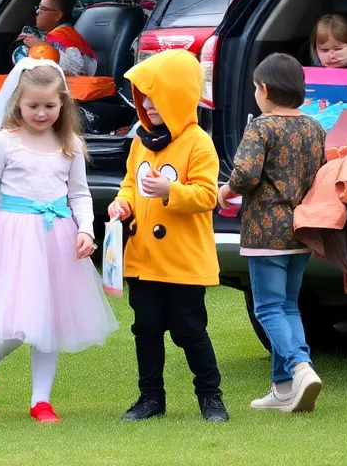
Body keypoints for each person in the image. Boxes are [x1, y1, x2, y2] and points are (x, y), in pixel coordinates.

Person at [0, 59, 116, 423]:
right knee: (18, 320)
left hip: (56, 239)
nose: (41, 113)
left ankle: (41, 400)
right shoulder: (4, 142)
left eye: (50, 106)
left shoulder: (70, 144)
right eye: (33, 106)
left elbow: (79, 194)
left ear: (63, 104)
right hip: (14, 237)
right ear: (17, 103)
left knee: (49, 320)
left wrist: (85, 230)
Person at [107, 49, 229, 423]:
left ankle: (211, 398)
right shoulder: (140, 141)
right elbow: (129, 184)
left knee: (190, 330)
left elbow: (208, 196)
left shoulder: (198, 143)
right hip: (144, 259)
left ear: (178, 95)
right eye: (142, 96)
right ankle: (150, 398)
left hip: (182, 261)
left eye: (156, 95)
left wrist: (169, 192)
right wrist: (121, 204)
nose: (146, 103)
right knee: (145, 328)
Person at [218, 54, 326, 413]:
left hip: (265, 232)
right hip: (301, 230)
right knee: (288, 306)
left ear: (264, 89)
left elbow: (246, 174)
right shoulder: (314, 127)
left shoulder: (261, 127)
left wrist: (225, 191)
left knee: (267, 308)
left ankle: (299, 367)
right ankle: (282, 390)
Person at [15, 0, 97, 77]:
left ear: (58, 16)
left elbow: (76, 68)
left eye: (43, 9)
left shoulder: (60, 37)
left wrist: (39, 46)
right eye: (39, 7)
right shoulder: (67, 32)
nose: (37, 11)